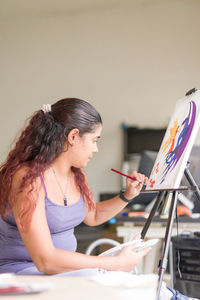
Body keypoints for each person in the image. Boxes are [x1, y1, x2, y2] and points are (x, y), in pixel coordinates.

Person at [0, 98, 197, 300]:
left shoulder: (75, 174)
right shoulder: (28, 179)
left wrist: (126, 196)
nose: (96, 149)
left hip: (62, 273)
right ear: (73, 136)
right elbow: (45, 260)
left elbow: (92, 215)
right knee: (103, 278)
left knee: (122, 281)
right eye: (94, 140)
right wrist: (115, 264)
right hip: (24, 275)